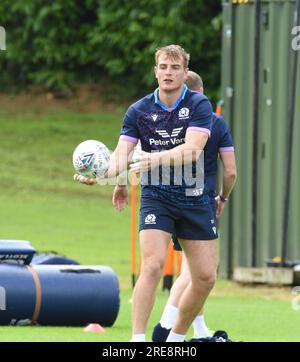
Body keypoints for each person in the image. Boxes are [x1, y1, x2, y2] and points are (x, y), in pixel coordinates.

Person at [75, 44, 216, 342]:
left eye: (174, 68)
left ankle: (175, 338)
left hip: (194, 196)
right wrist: (100, 174)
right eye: (163, 67)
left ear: (183, 72)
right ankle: (137, 340)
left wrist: (156, 158)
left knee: (204, 278)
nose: (168, 73)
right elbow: (122, 156)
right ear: (155, 71)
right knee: (151, 265)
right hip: (157, 196)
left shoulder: (199, 105)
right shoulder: (138, 111)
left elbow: (193, 150)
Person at [152, 71, 237, 342]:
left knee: (190, 272)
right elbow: (231, 171)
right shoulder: (214, 122)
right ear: (200, 92)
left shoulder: (165, 122)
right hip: (200, 203)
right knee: (201, 273)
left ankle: (187, 328)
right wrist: (222, 198)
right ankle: (168, 330)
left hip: (165, 201)